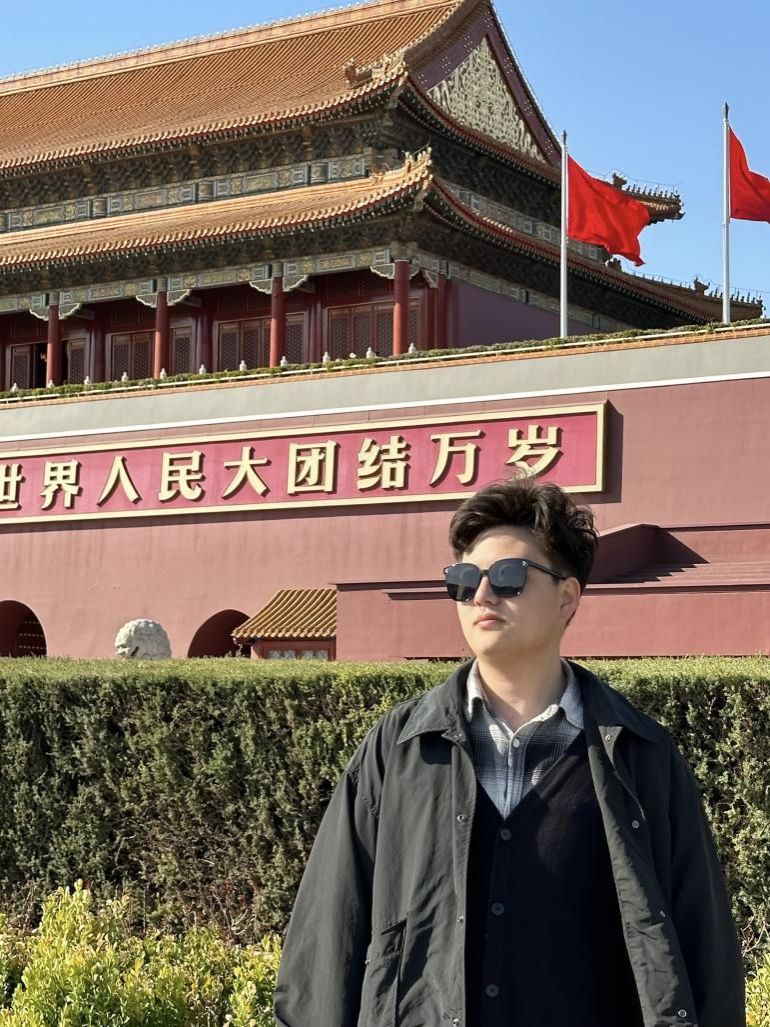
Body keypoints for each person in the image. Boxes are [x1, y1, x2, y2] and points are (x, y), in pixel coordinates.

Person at [274, 477, 745, 1027]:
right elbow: (329, 930)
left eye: (509, 576)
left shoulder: (640, 754)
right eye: (464, 579)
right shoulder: (399, 749)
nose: (482, 595)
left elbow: (703, 942)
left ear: (568, 597)